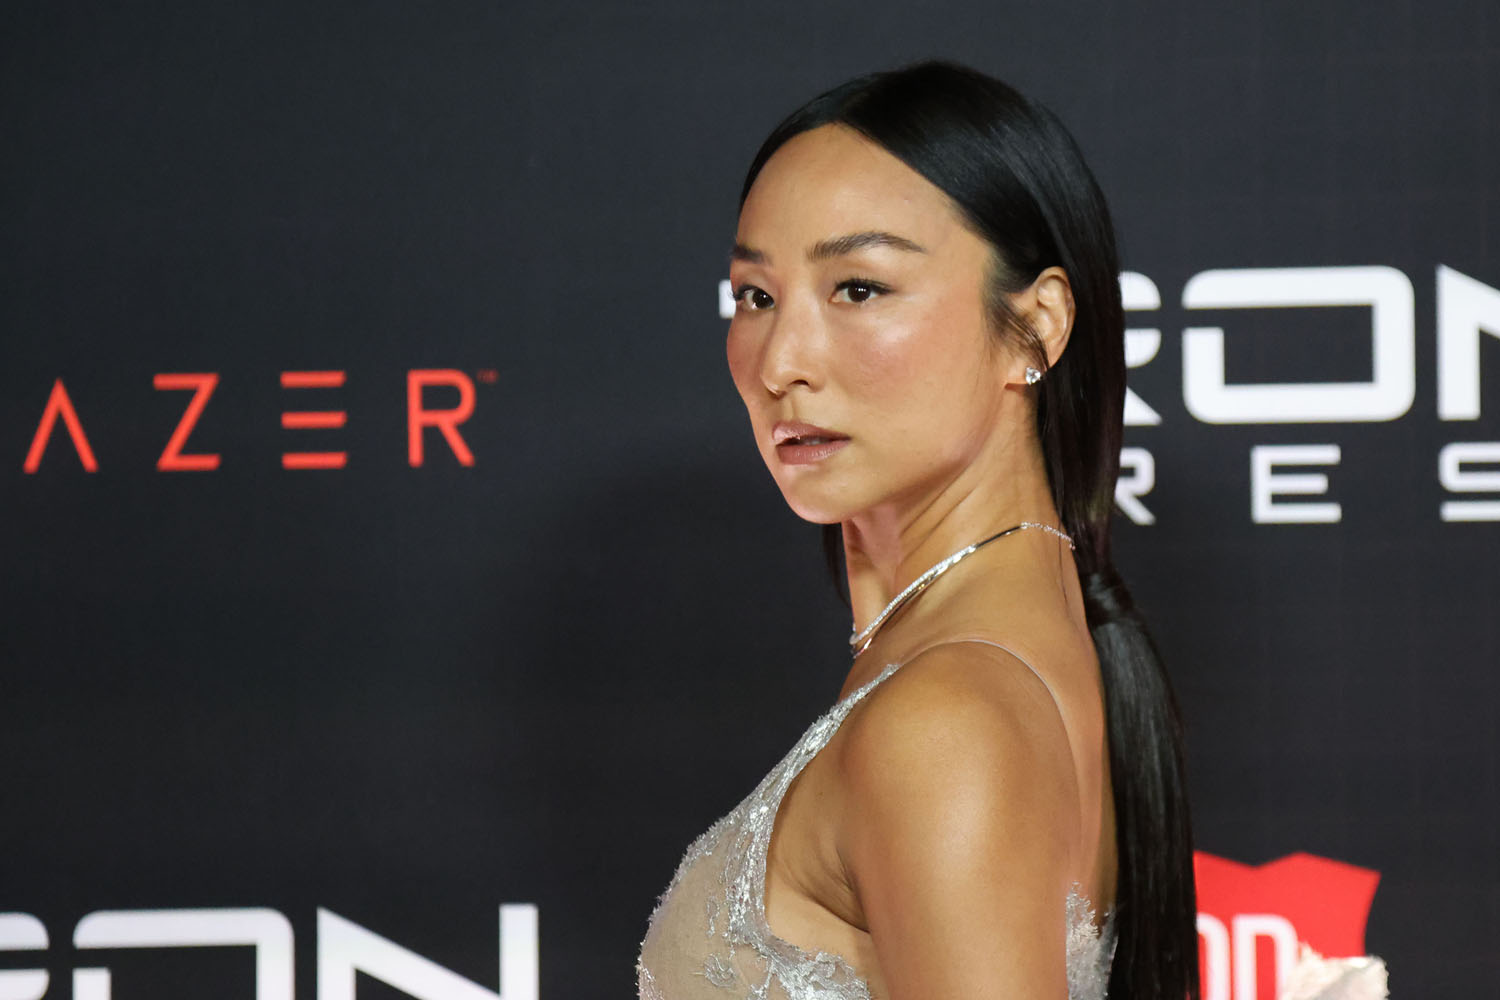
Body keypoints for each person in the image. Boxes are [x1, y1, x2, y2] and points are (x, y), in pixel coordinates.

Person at [637, 61, 1198, 1000]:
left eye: (858, 288)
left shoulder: (946, 722)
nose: (781, 361)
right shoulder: (983, 662)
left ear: (1035, 327)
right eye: (755, 296)